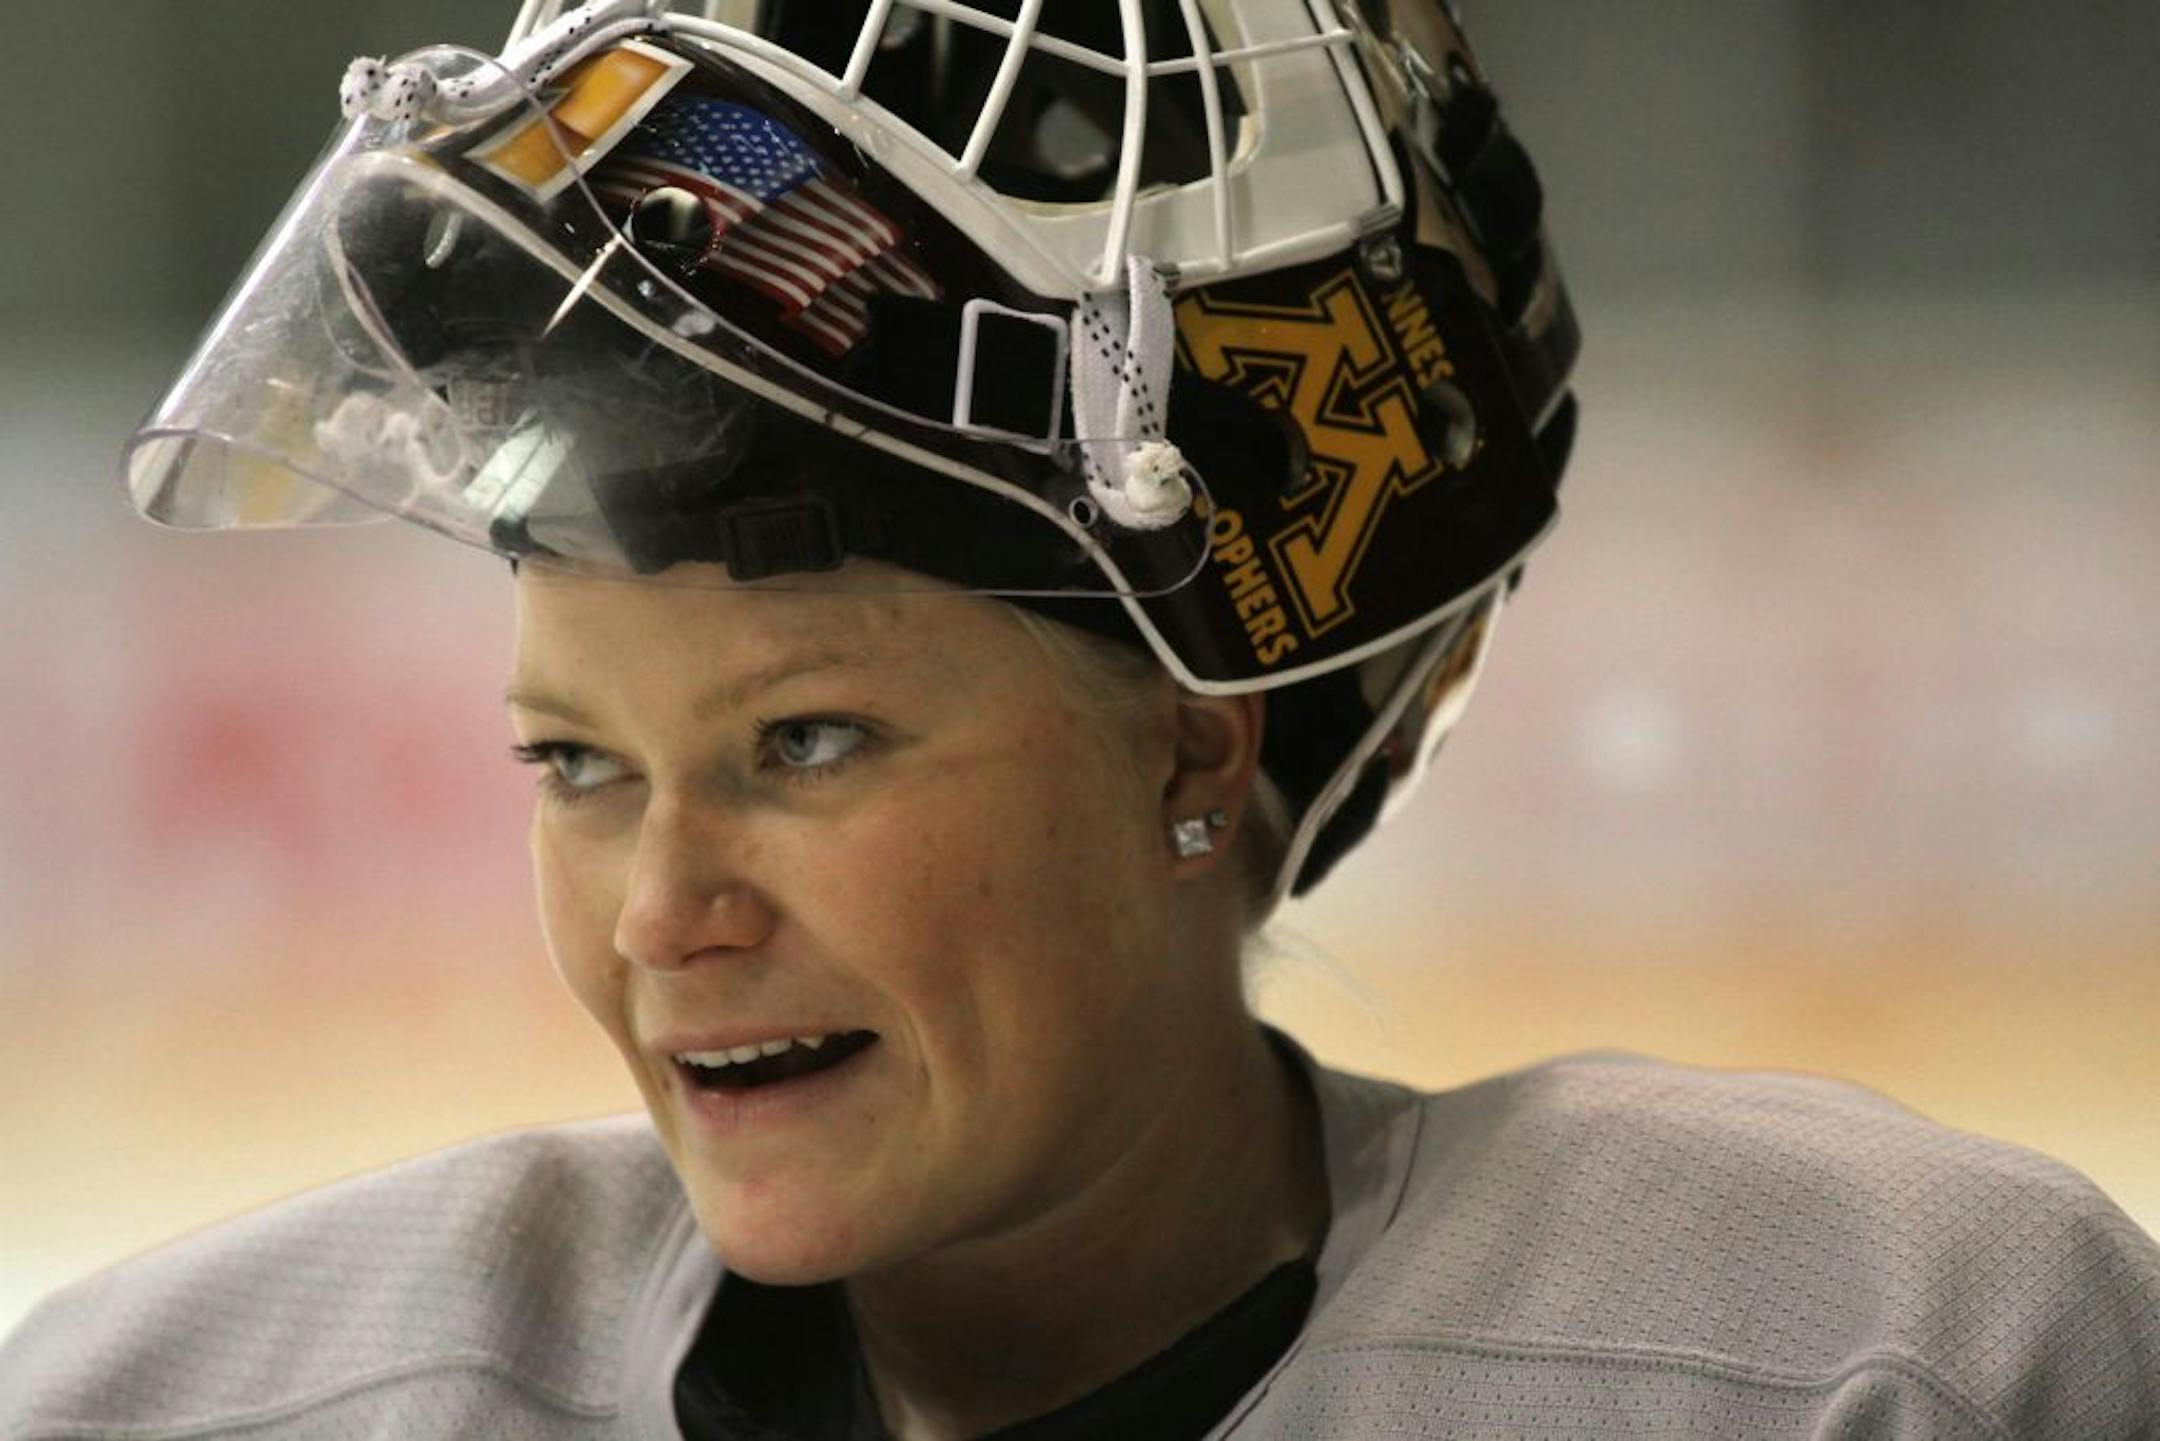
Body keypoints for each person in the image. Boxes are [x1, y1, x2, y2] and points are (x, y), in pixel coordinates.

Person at [3, 1, 2155, 1437]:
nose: (662, 915)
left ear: (1195, 745)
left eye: (807, 743)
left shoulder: (1888, 1365)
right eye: (576, 763)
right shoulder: (182, 1397)